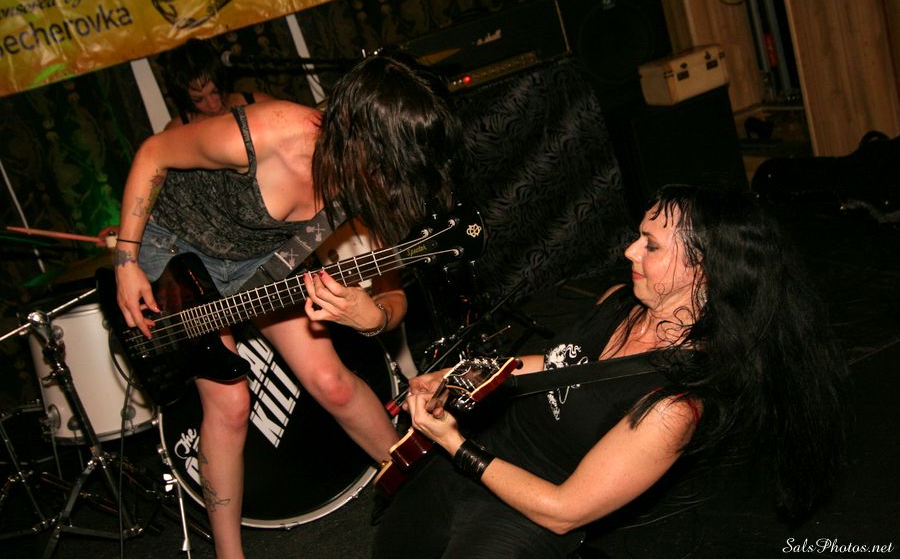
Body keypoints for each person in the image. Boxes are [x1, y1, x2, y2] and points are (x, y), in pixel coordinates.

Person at [373, 184, 847, 559]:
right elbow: (557, 363)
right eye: (639, 236)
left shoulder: (674, 407)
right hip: (481, 452)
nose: (630, 252)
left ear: (701, 269)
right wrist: (459, 373)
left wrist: (456, 444)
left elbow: (564, 511)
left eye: (651, 245)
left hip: (527, 511)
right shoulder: (620, 303)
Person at [113, 51, 460, 559]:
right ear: (359, 132)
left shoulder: (376, 178)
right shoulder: (268, 132)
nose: (392, 177)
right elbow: (152, 154)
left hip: (258, 265)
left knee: (332, 382)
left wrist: (374, 317)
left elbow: (393, 291)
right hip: (174, 252)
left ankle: (419, 484)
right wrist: (125, 260)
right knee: (231, 404)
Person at [162, 38, 275, 131]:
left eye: (215, 92)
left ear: (222, 81)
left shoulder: (261, 104)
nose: (212, 105)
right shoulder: (176, 131)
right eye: (198, 99)